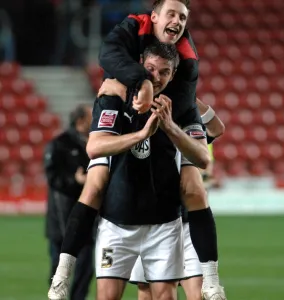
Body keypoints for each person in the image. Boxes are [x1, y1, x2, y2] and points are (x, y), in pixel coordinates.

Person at [49, 0, 227, 298]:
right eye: (171, 13)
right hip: (126, 124)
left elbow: (209, 128)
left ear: (173, 74)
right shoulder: (131, 35)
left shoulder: (184, 68)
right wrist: (137, 85)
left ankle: (212, 278)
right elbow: (108, 56)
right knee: (94, 186)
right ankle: (63, 272)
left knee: (195, 186)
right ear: (154, 17)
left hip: (166, 193)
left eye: (183, 17)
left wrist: (178, 116)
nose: (177, 21)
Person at [129, 105, 224, 300]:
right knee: (148, 291)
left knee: (197, 293)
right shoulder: (139, 129)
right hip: (151, 223)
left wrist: (190, 98)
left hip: (188, 225)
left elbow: (216, 129)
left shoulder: (188, 129)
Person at [44, 104, 94, 300]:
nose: (96, 118)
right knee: (58, 266)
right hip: (61, 218)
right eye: (91, 116)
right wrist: (76, 180)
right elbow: (52, 177)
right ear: (80, 120)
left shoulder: (95, 141)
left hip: (86, 215)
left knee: (85, 267)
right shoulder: (59, 144)